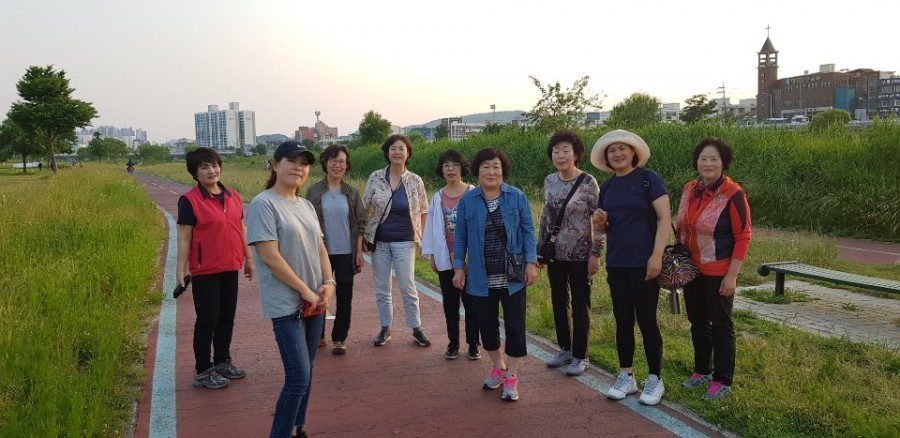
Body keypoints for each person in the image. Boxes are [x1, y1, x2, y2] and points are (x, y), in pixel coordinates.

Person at [247, 141, 336, 438]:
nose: (298, 168)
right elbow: (270, 258)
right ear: (275, 165)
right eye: (291, 161)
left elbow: (320, 247)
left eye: (304, 163)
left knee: (307, 371)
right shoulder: (263, 204)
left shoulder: (305, 205)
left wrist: (329, 283)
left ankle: (299, 428)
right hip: (287, 304)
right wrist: (305, 291)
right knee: (298, 376)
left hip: (315, 301)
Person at [590, 129, 671, 406]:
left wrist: (656, 256)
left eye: (622, 148)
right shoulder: (608, 186)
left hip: (644, 262)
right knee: (622, 320)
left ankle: (655, 378)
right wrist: (600, 222)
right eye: (612, 151)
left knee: (647, 320)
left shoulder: (648, 179)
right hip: (617, 262)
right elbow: (604, 228)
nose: (617, 154)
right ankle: (626, 376)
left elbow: (664, 219)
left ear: (633, 152)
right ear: (606, 158)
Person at [452, 147, 538, 402]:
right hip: (480, 278)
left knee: (515, 327)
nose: (491, 171)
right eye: (486, 167)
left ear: (503, 170)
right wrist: (459, 268)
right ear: (477, 171)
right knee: (487, 328)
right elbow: (460, 237)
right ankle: (499, 367)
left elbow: (528, 232)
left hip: (513, 277)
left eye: (496, 167)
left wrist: (531, 263)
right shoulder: (467, 200)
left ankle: (512, 376)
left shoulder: (517, 197)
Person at [676, 137, 752, 401]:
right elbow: (682, 226)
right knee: (697, 321)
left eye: (714, 159)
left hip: (718, 271)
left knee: (721, 325)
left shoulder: (734, 194)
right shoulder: (689, 189)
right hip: (691, 270)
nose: (707, 163)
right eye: (703, 158)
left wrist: (732, 276)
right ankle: (702, 370)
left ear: (723, 163)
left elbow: (743, 235)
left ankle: (722, 379)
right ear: (696, 161)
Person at [175, 147, 255, 390]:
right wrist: (181, 269)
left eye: (214, 165)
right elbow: (184, 237)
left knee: (226, 318)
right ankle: (202, 370)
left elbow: (241, 228)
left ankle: (222, 361)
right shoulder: (189, 200)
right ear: (195, 173)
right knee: (207, 320)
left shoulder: (233, 196)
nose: (211, 170)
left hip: (230, 265)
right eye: (204, 167)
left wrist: (249, 258)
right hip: (205, 269)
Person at [537, 130, 603, 377]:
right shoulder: (549, 181)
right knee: (558, 301)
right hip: (555, 254)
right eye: (556, 151)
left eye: (566, 150)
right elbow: (545, 217)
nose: (560, 155)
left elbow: (599, 221)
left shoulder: (588, 182)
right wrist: (540, 251)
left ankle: (581, 355)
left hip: (581, 255)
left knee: (580, 304)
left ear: (576, 154)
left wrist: (596, 253)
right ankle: (565, 348)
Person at [362, 134, 431, 347]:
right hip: (380, 241)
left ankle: (416, 327)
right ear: (387, 152)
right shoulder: (376, 177)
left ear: (408, 153)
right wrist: (362, 236)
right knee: (382, 287)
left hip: (405, 241)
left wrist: (423, 239)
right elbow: (365, 207)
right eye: (393, 148)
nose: (397, 152)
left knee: (407, 285)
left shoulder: (415, 180)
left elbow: (424, 210)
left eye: (402, 148)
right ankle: (385, 327)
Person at [305, 144, 366, 355]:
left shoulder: (352, 193)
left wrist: (359, 252)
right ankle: (318, 334)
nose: (337, 165)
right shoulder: (313, 192)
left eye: (342, 162)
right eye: (333, 161)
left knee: (345, 296)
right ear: (325, 162)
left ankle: (339, 338)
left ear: (347, 165)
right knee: (319, 293)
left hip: (346, 253)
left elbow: (360, 223)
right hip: (320, 252)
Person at [421, 149, 480, 360]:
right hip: (446, 258)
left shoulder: (473, 193)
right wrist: (433, 255)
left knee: (472, 304)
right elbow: (431, 228)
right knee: (450, 304)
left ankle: (473, 343)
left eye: (455, 164)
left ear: (462, 168)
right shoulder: (438, 197)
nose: (450, 169)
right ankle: (453, 343)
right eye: (446, 165)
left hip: (470, 259)